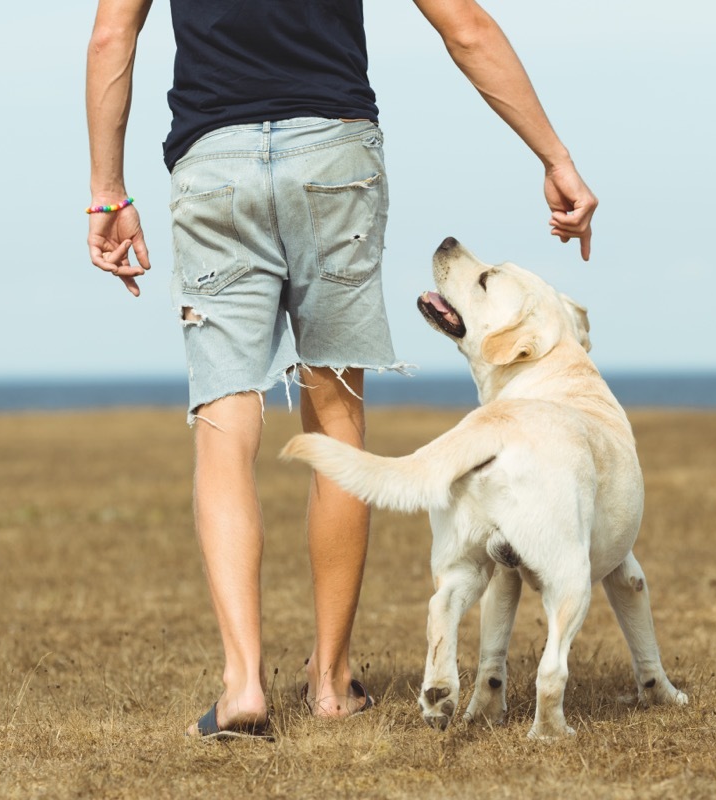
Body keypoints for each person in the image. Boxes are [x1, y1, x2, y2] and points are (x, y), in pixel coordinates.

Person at [85, 0, 598, 739]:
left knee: (224, 428)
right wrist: (554, 158)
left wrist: (107, 191)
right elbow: (465, 26)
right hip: (333, 157)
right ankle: (330, 682)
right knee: (335, 416)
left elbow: (112, 34)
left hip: (214, 161)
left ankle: (241, 690)